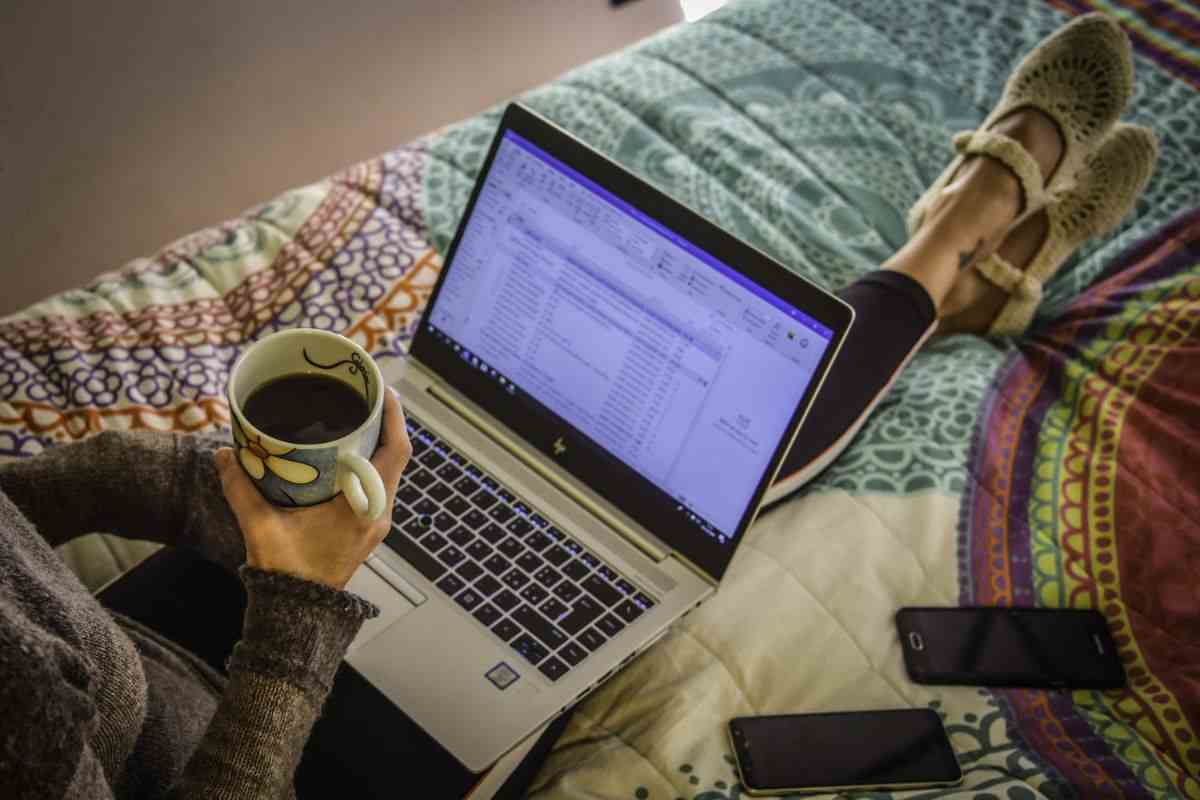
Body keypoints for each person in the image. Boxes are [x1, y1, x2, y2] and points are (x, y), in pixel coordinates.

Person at [0, 13, 1155, 799]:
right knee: (667, 500)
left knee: (524, 424)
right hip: (261, 742)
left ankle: (964, 255)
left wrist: (196, 486)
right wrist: (300, 600)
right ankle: (961, 235)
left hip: (153, 635)